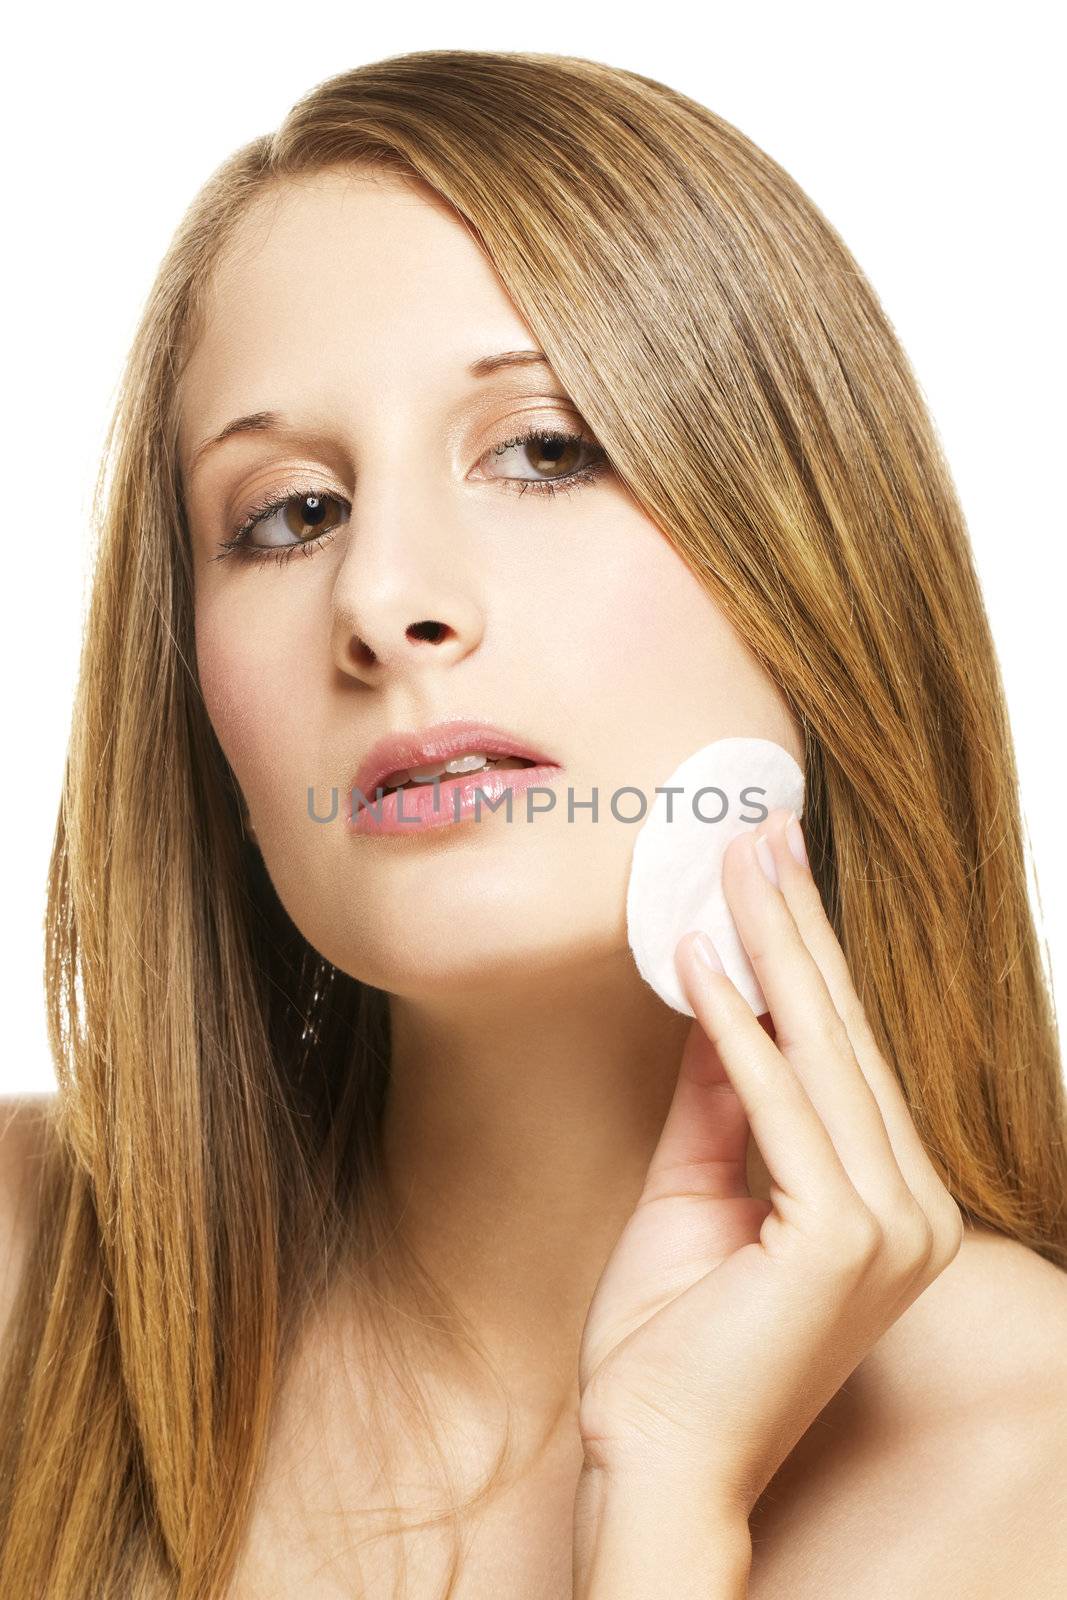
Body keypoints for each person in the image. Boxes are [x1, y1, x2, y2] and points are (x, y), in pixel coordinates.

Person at [1, 48, 1065, 1600]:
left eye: (547, 450)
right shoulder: (25, 1289)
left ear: (822, 567)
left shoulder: (1034, 1480)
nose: (384, 601)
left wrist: (667, 1513)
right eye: (291, 513)